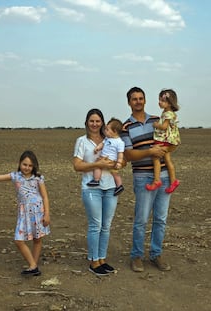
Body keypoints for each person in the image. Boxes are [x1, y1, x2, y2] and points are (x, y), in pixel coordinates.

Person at [0, 150, 51, 277]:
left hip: (38, 212)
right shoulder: (15, 176)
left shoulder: (38, 178)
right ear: (20, 163)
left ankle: (33, 266)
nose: (27, 168)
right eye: (24, 164)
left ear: (34, 166)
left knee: (37, 239)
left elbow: (45, 197)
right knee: (18, 240)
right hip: (23, 213)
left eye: (30, 166)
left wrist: (47, 214)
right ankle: (33, 266)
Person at [121, 87, 172, 272]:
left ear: (145, 100)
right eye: (134, 99)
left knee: (160, 219)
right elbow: (128, 154)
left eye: (141, 98)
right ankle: (136, 256)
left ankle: (156, 254)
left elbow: (168, 139)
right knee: (141, 219)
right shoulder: (126, 127)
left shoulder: (156, 121)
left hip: (164, 175)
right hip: (142, 177)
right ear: (129, 102)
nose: (138, 101)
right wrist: (150, 152)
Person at [72, 108, 120, 276]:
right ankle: (93, 262)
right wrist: (98, 165)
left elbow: (122, 160)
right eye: (91, 121)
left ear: (103, 123)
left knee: (106, 226)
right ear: (86, 123)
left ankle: (102, 259)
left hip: (110, 187)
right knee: (96, 225)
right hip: (91, 188)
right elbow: (77, 165)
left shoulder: (110, 139)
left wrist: (115, 165)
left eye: (98, 121)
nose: (94, 124)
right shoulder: (81, 141)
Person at [146, 89, 181, 193]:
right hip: (170, 140)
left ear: (169, 103)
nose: (159, 102)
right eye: (159, 100)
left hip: (165, 140)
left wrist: (157, 125)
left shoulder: (167, 114)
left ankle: (157, 180)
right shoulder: (169, 112)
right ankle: (173, 181)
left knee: (155, 157)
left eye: (162, 100)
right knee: (167, 160)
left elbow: (164, 127)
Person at [87, 117, 125, 196]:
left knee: (100, 167)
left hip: (110, 160)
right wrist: (97, 148)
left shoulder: (119, 142)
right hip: (105, 158)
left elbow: (120, 153)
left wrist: (119, 162)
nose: (105, 131)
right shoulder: (107, 138)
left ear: (114, 131)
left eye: (107, 129)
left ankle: (97, 180)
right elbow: (102, 144)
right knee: (111, 172)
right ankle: (118, 185)